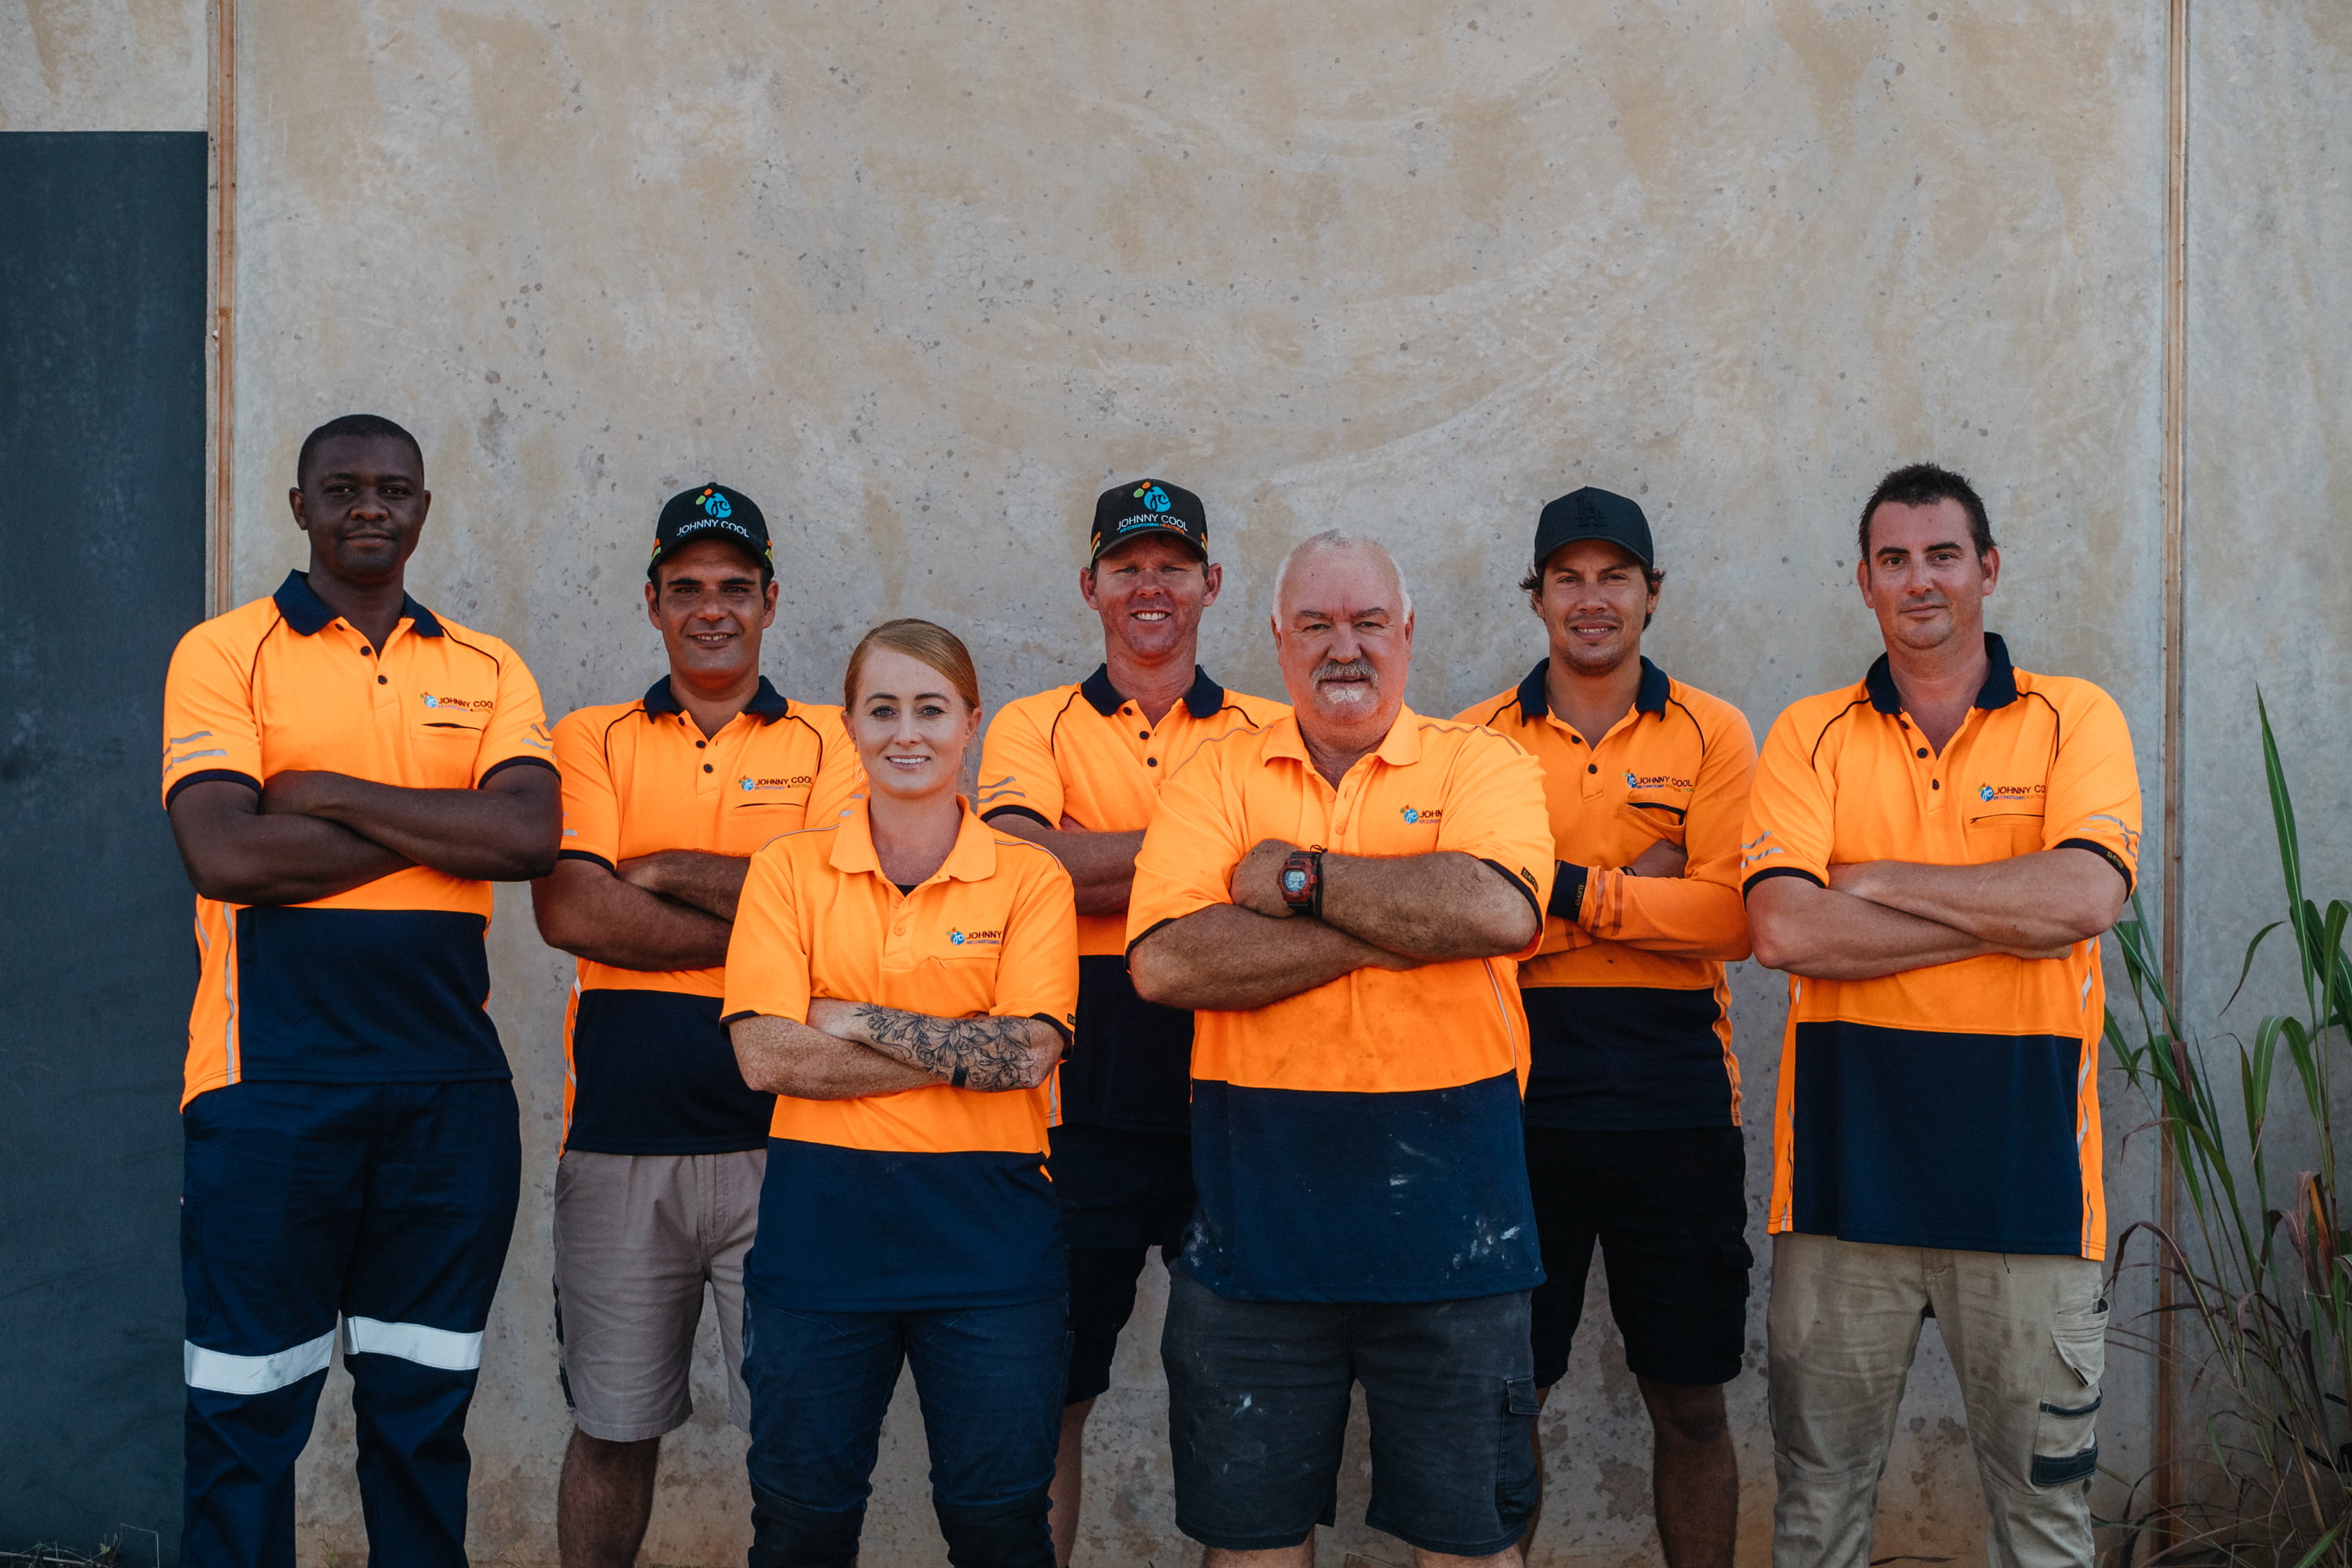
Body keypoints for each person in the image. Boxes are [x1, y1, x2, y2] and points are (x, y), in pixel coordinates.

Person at [161, 414, 560, 1566]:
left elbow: (528, 836)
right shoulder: (224, 653)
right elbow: (226, 853)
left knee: (422, 1421)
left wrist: (326, 791)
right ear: (301, 507)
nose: (369, 506)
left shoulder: (488, 667)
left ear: (424, 508)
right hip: (269, 1089)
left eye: (392, 488)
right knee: (244, 1417)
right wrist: (443, 827)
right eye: (341, 488)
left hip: (449, 1097)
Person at [1127, 531, 1556, 1568]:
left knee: (1469, 1546)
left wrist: (1299, 880)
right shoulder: (1214, 775)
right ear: (1278, 637)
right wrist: (1406, 925)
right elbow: (1167, 964)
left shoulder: (1483, 761)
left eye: (1368, 622)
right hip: (1254, 1240)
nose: (1344, 647)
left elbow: (1497, 911)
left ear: (1407, 631)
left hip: (1459, 1235)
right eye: (1316, 624)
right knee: (1253, 1549)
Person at [1740, 464, 2140, 1568]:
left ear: (1988, 569)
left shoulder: (2074, 718)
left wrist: (1874, 881)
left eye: (1943, 554)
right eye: (1895, 559)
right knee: (1816, 1518)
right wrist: (2005, 917)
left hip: (2032, 1192)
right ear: (1864, 582)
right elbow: (1785, 930)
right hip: (1840, 1189)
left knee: (2045, 1528)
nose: (1920, 579)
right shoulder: (1811, 733)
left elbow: (2083, 897)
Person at [529, 485, 863, 1568]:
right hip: (618, 1147)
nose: (710, 609)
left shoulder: (833, 740)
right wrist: (768, 920)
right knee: (610, 1431)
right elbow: (571, 909)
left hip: (794, 1147)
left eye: (733, 587)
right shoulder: (591, 737)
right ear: (652, 603)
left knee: (799, 1440)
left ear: (771, 600)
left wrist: (659, 867)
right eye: (685, 589)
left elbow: (841, 919)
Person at [721, 619, 1080, 1568]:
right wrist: (962, 1045)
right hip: (821, 1231)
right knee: (801, 1524)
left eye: (931, 708)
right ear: (850, 726)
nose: (907, 732)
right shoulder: (787, 870)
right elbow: (766, 1055)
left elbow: (1028, 1055)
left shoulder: (1030, 876)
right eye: (882, 709)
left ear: (971, 723)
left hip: (990, 1236)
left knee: (999, 1524)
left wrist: (851, 1017)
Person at [977, 477, 1285, 1565]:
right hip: (1078, 1108)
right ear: (1091, 584)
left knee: (1244, 1396)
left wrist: (1097, 858)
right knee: (1051, 1392)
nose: (1150, 586)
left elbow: (1302, 883)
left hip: (1239, 1097)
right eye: (1127, 566)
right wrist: (1219, 859)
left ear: (1211, 582)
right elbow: (1021, 870)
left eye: (1172, 565)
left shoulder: (1271, 728)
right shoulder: (1033, 724)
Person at [1457, 487, 1757, 1568]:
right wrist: (1641, 883)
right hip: (1514, 1103)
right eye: (1569, 578)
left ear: (1651, 593)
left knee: (1692, 1403)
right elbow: (1465, 925)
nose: (1592, 599)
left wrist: (1557, 892)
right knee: (1510, 1399)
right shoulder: (1474, 741)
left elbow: (1732, 919)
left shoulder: (1714, 732)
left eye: (1614, 577)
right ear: (1536, 597)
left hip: (1678, 1107)